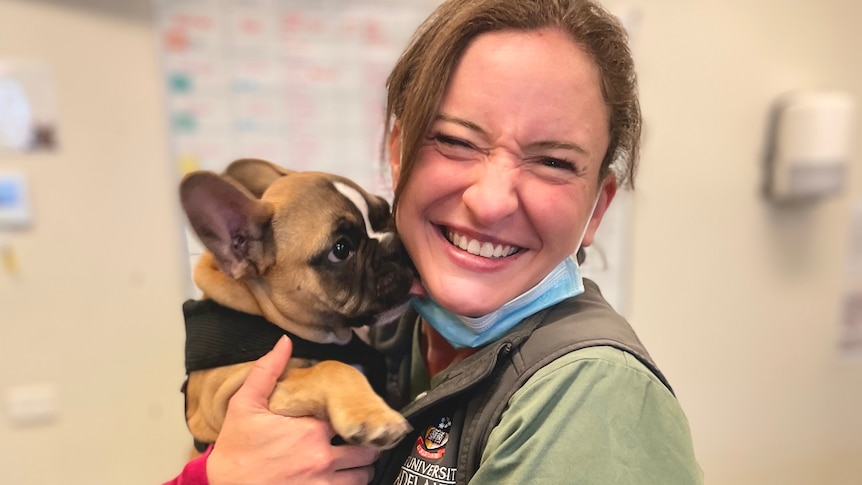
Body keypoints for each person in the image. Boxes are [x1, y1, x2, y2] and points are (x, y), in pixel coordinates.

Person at [165, 0, 703, 483]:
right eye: (455, 141)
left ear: (596, 208)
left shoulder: (591, 401)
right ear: (398, 155)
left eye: (554, 162)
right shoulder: (393, 325)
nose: (492, 201)